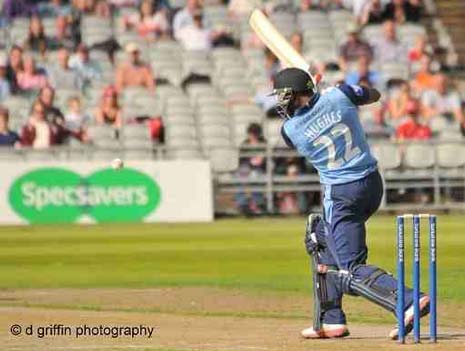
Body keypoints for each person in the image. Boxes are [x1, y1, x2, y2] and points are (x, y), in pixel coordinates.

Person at [274, 67, 430, 338]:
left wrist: (320, 96)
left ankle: (407, 300)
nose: (281, 101)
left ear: (293, 95)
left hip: (341, 196)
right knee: (319, 235)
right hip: (371, 185)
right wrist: (334, 90)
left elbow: (303, 117)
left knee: (350, 268)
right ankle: (331, 318)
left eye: (283, 95)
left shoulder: (291, 130)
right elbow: (373, 94)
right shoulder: (339, 95)